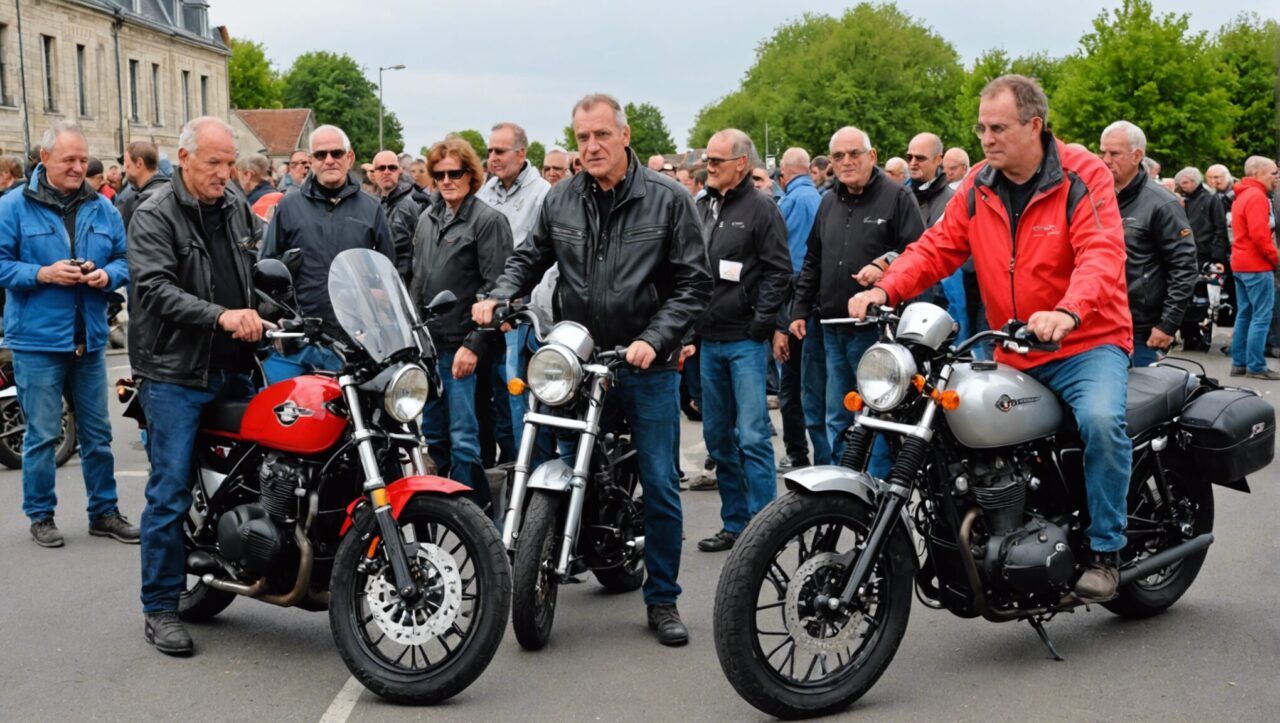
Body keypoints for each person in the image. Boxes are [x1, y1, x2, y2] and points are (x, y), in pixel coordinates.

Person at [849, 74, 1133, 603]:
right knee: (962, 426)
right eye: (981, 127)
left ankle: (1105, 551)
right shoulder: (978, 184)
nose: (986, 137)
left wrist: (1068, 312)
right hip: (1013, 343)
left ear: (1034, 125)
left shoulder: (1081, 175)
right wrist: (886, 287)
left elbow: (1102, 252)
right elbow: (936, 248)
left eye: (998, 127)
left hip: (1085, 342)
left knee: (1099, 420)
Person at [473, 93, 711, 647]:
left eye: (602, 135)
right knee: (557, 454)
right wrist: (502, 295)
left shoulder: (668, 199)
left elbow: (694, 283)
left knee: (658, 481)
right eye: (583, 137)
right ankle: (557, 545)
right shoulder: (561, 199)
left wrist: (655, 339)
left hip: (644, 362)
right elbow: (529, 256)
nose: (592, 146)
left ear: (624, 135)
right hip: (575, 357)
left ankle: (663, 599)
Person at [128, 116, 265, 656]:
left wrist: (273, 313)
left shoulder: (234, 205)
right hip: (175, 373)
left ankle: (244, 561)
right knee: (170, 492)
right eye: (214, 162)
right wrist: (222, 316)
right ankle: (160, 607)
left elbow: (253, 274)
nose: (225, 173)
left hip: (235, 367)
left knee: (254, 477)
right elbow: (155, 290)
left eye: (230, 162)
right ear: (183, 159)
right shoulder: (153, 214)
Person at [0, 120, 137, 549]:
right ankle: (41, 514)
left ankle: (104, 512)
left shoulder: (103, 206)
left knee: (99, 433)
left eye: (83, 159)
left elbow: (125, 260)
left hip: (89, 336)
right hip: (36, 340)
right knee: (42, 433)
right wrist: (42, 273)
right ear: (44, 159)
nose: (79, 167)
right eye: (69, 160)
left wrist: (105, 276)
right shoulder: (12, 206)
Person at [789, 126, 923, 469]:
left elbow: (918, 253)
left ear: (872, 156)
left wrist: (885, 264)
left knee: (877, 416)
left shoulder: (897, 197)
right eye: (838, 156)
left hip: (876, 330)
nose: (846, 162)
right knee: (839, 415)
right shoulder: (827, 200)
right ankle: (844, 488)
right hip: (832, 327)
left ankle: (878, 495)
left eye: (854, 154)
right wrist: (799, 310)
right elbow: (813, 259)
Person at [694, 129, 791, 554]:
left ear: (741, 163)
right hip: (709, 340)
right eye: (707, 161)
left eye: (716, 161)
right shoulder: (704, 205)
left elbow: (778, 271)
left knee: (752, 436)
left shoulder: (761, 208)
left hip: (745, 343)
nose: (708, 167)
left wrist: (761, 324)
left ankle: (766, 529)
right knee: (718, 438)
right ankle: (735, 523)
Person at [411, 138, 513, 516]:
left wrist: (474, 344)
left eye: (455, 173)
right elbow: (417, 279)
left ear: (471, 176)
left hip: (465, 348)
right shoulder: (427, 219)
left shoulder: (488, 221)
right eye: (438, 174)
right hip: (430, 347)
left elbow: (496, 290)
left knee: (465, 439)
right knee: (433, 435)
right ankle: (441, 513)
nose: (446, 180)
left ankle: (475, 518)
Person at [260, 125, 395, 371]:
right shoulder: (289, 206)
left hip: (355, 341)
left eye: (337, 153)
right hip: (300, 339)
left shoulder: (371, 208)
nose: (329, 160)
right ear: (311, 161)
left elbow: (388, 273)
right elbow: (267, 266)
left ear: (349, 157)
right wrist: (279, 315)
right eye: (321, 155)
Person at [476, 121, 552, 458]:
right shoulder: (485, 192)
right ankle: (507, 470)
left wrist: (515, 304)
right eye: (490, 151)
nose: (492, 157)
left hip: (519, 315)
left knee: (517, 397)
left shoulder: (542, 194)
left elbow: (542, 261)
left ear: (521, 154)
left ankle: (528, 476)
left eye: (500, 151)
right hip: (486, 311)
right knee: (494, 400)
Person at [1098, 121, 1196, 368]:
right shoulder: (1094, 197)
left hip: (1142, 330)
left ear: (1137, 156)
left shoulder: (1161, 203)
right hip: (1099, 325)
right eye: (1103, 152)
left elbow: (1184, 266)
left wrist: (1167, 324)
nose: (1106, 159)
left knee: (1139, 402)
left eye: (1114, 153)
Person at [772, 147, 827, 470]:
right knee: (818, 388)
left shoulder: (788, 203)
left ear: (784, 174)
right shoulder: (823, 200)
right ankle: (825, 458)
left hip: (794, 305)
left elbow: (783, 267)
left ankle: (797, 453)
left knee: (791, 385)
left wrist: (781, 322)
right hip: (818, 306)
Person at [1229, 156, 1280, 379]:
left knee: (1245, 314)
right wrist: (1276, 258)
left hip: (1240, 263)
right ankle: (1256, 366)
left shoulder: (1242, 195)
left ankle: (1239, 363)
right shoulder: (1257, 197)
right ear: (1258, 173)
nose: (1276, 178)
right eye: (1273, 173)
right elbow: (1260, 236)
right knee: (1261, 316)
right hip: (1256, 265)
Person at [1175, 166, 1228, 350]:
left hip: (1204, 255)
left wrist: (1217, 257)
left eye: (1186, 182)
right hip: (1186, 254)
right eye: (1181, 183)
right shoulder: (1182, 200)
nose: (1183, 185)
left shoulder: (1210, 199)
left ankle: (1201, 335)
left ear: (1195, 181)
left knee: (1203, 300)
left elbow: (1220, 228)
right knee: (1186, 297)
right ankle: (1189, 335)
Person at [371, 149, 420, 278]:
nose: (386, 172)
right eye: (381, 168)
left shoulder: (408, 204)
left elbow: (408, 253)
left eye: (391, 168)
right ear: (374, 173)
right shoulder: (376, 202)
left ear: (399, 171)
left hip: (400, 282)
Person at [116, 141, 169, 230]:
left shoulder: (143, 202)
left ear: (139, 163)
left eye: (125, 162)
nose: (124, 168)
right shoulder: (170, 191)